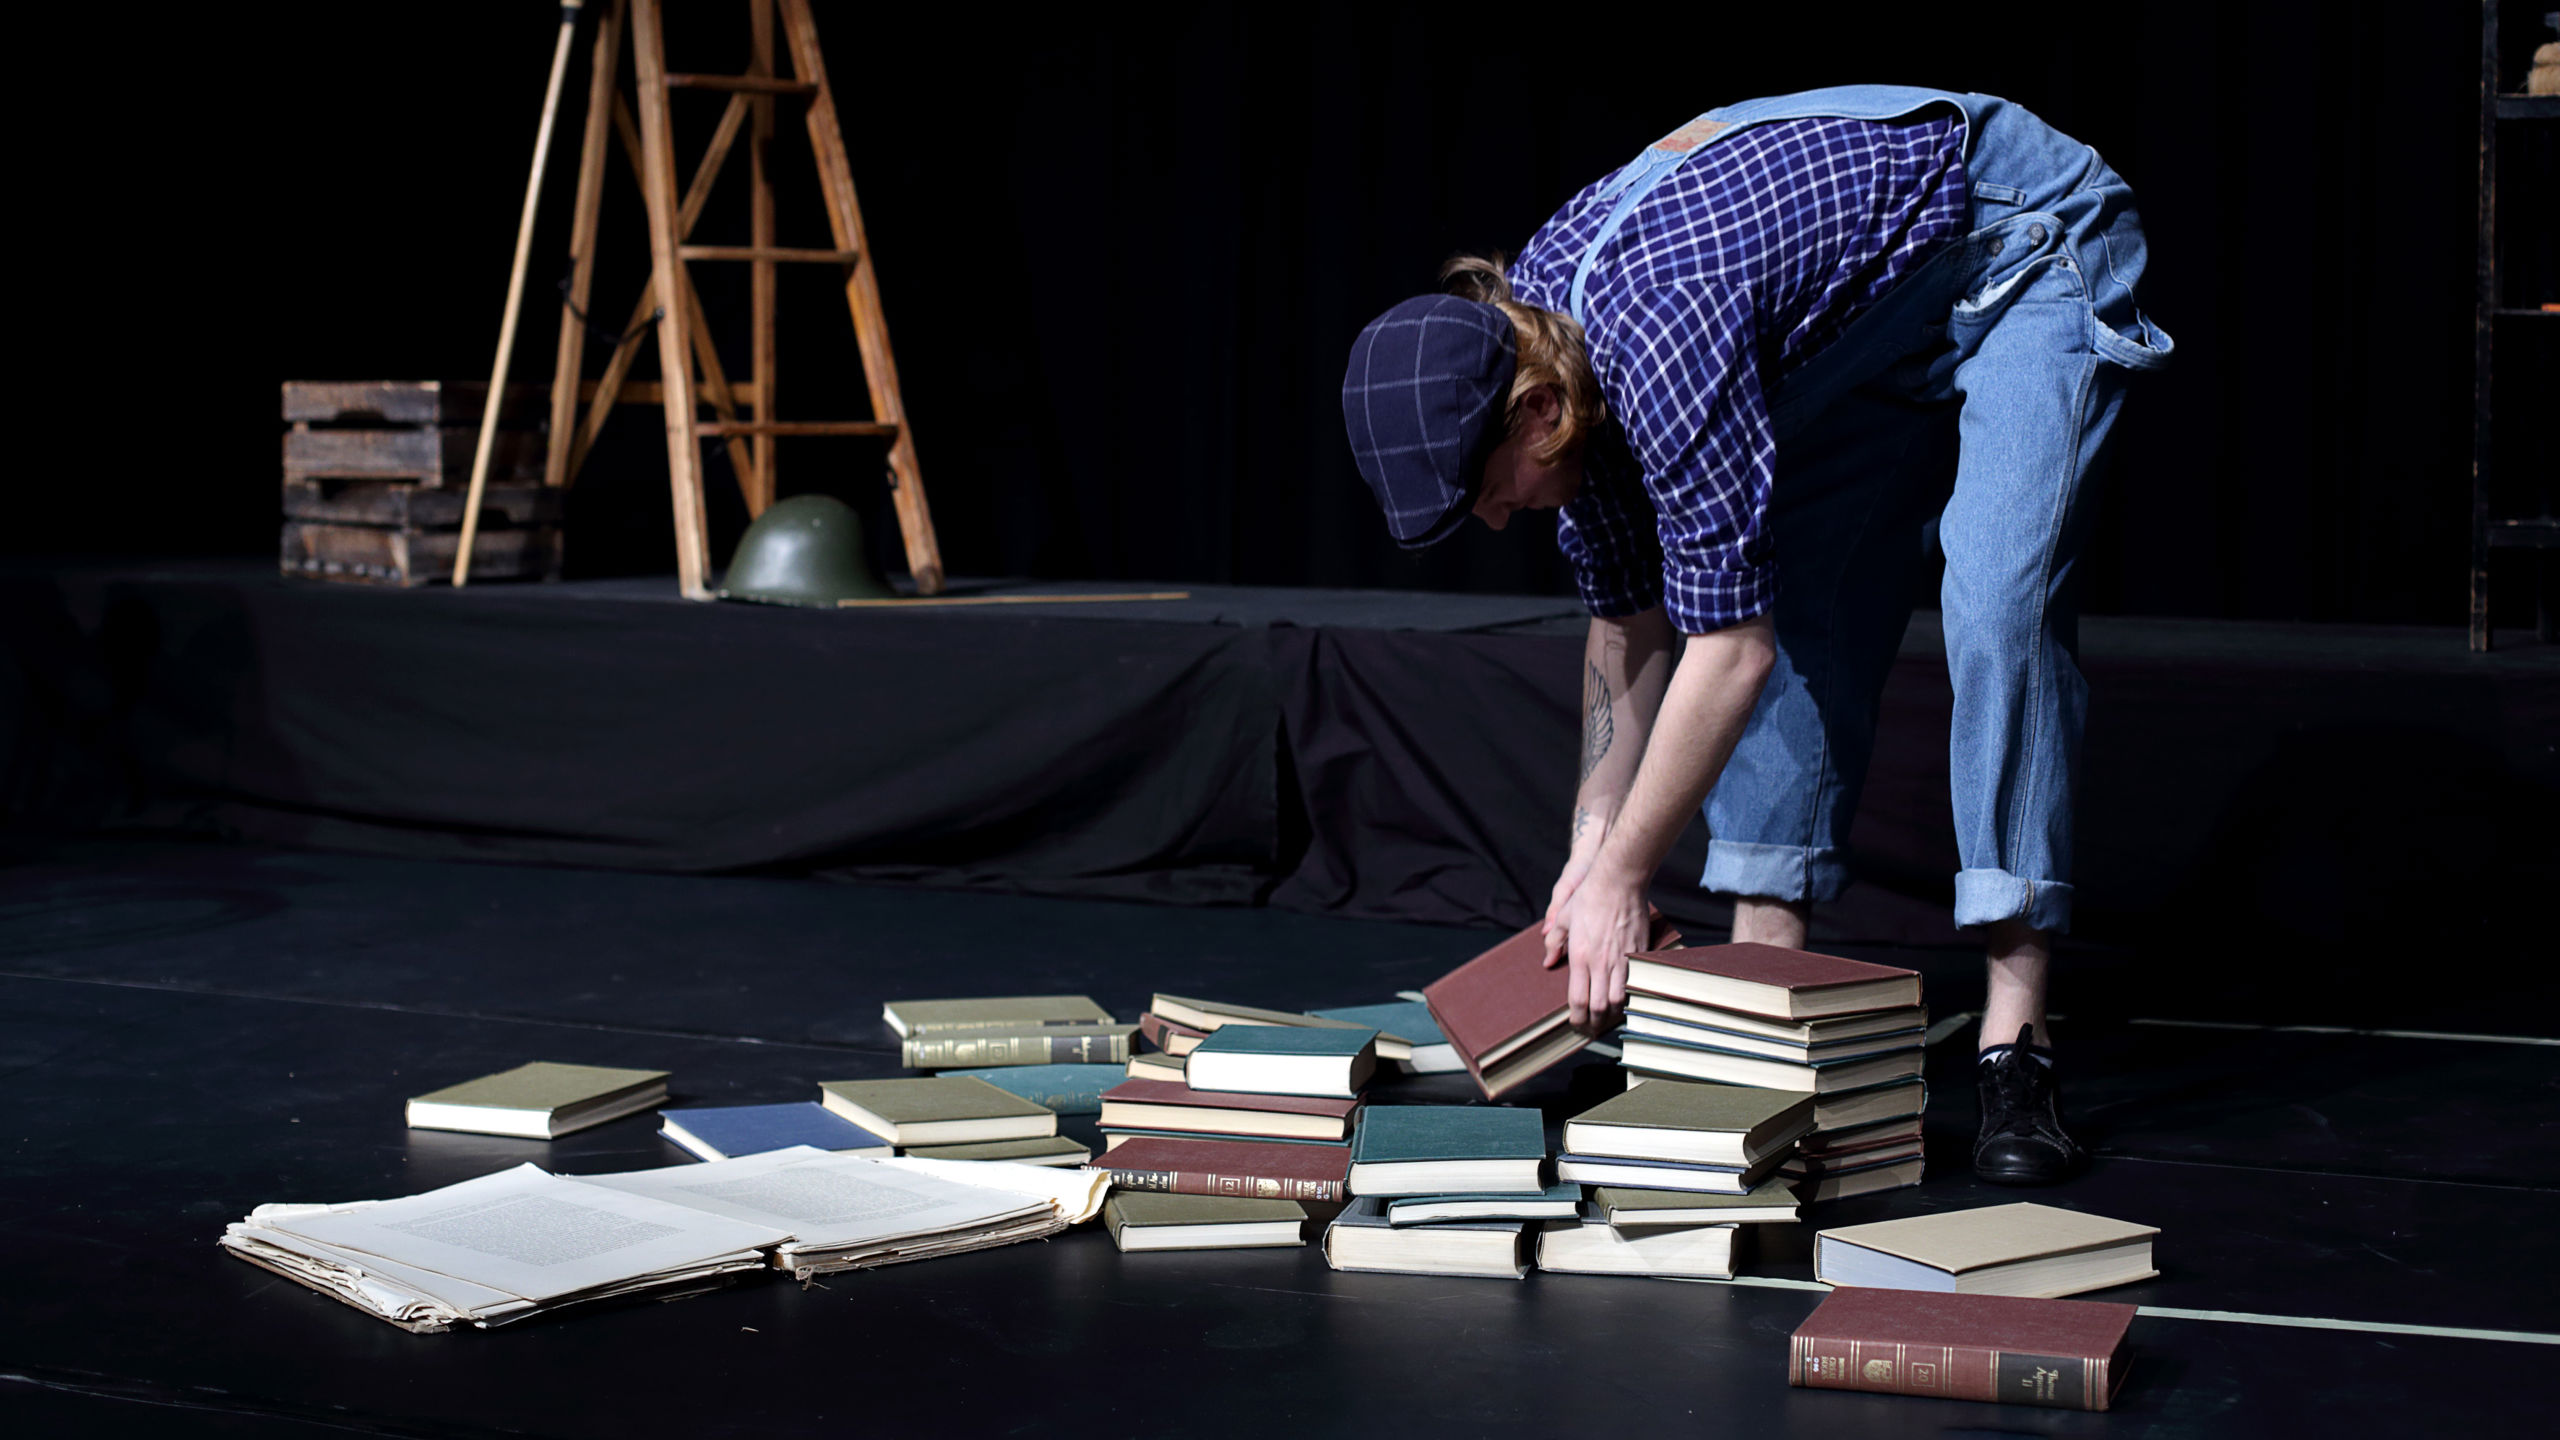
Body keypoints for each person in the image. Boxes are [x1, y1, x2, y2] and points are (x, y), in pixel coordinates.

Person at [1339, 87, 2170, 1186]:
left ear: (1536, 413)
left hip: (2017, 240)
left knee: (1998, 605)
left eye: (1488, 492)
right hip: (1863, 317)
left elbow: (1726, 655)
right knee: (1795, 596)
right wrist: (1587, 858)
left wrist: (1630, 874)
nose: (1494, 519)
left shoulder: (1657, 338)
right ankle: (1763, 999)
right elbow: (1627, 626)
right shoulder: (1551, 359)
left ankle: (2015, 1040)